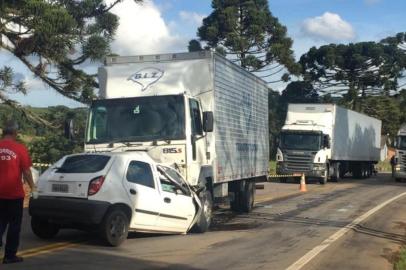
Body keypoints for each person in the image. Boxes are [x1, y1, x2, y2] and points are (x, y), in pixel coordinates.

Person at [0, 120, 36, 264]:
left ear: (3, 132)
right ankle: (9, 256)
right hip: (14, 194)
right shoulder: (20, 149)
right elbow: (27, 172)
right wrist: (33, 187)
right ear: (15, 133)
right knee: (14, 225)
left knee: (0, 221)